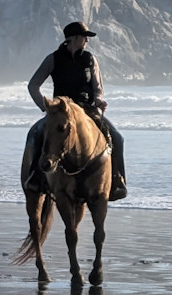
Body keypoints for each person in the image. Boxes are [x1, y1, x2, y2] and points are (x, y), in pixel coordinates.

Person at [27, 21, 128, 201]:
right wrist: (46, 108)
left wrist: (99, 99)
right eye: (84, 37)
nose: (86, 41)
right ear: (72, 39)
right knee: (36, 135)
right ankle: (36, 176)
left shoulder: (90, 59)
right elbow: (33, 85)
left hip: (87, 110)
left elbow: (97, 87)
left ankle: (117, 181)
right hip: (60, 112)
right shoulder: (53, 59)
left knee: (117, 138)